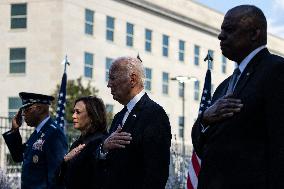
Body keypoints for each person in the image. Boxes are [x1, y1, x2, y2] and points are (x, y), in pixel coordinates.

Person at [191, 5, 284, 189]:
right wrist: (205, 118)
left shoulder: (276, 71)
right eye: (221, 30)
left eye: (229, 30)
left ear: (254, 34)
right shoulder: (224, 86)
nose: (220, 36)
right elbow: (202, 146)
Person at [98, 56, 172, 189]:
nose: (109, 84)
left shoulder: (154, 114)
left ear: (132, 79)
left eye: (113, 78)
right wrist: (104, 148)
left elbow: (156, 174)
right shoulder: (118, 117)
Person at [2, 92, 68, 189]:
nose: (23, 114)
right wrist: (14, 130)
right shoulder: (37, 133)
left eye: (27, 109)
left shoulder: (54, 134)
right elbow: (18, 157)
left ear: (40, 109)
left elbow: (57, 177)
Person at [57, 96, 107, 189]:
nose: (73, 116)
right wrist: (65, 160)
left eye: (78, 112)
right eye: (74, 112)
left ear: (92, 116)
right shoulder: (78, 143)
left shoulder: (100, 142)